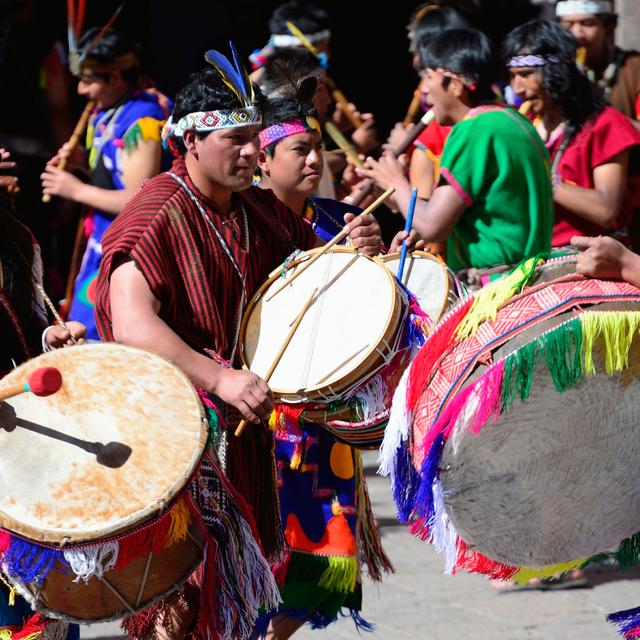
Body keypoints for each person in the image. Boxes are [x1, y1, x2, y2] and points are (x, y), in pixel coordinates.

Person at [94, 50, 381, 635]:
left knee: (242, 587)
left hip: (242, 430)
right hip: (177, 432)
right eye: (237, 139)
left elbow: (309, 266)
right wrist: (220, 377)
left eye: (256, 138)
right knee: (183, 591)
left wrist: (354, 246)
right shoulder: (156, 214)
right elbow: (132, 324)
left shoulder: (254, 206)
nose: (252, 153)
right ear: (191, 141)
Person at [256, 92, 391, 639]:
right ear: (261, 160)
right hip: (266, 415)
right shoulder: (245, 221)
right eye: (298, 150)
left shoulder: (341, 218)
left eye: (317, 148)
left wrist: (378, 257)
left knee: (321, 556)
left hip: (327, 416)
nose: (314, 160)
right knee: (264, 553)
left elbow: (373, 307)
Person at [358, 28, 553, 282]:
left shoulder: (474, 130)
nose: (424, 91)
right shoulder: (516, 121)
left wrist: (396, 182)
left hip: (496, 288)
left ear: (455, 85)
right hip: (528, 277)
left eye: (428, 78)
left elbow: (432, 225)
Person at [0, 149, 85, 639]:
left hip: (18, 435)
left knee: (39, 605)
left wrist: (49, 340)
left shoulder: (15, 238)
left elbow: (30, 323)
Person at [41, 27, 170, 340]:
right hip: (99, 239)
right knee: (77, 327)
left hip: (127, 249)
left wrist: (74, 190)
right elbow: (116, 170)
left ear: (115, 77)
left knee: (101, 332)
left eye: (89, 80)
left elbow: (136, 201)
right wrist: (81, 164)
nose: (82, 90)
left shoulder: (143, 119)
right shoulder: (105, 112)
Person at [504, 19, 640, 250]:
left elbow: (605, 210)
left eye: (526, 74)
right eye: (512, 76)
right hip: (530, 260)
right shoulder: (521, 126)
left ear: (557, 72)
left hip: (591, 260)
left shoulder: (605, 125)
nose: (517, 88)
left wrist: (542, 176)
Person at [556, 0, 640, 121]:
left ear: (608, 27)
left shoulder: (634, 67)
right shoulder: (554, 70)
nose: (577, 34)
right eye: (567, 26)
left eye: (587, 23)